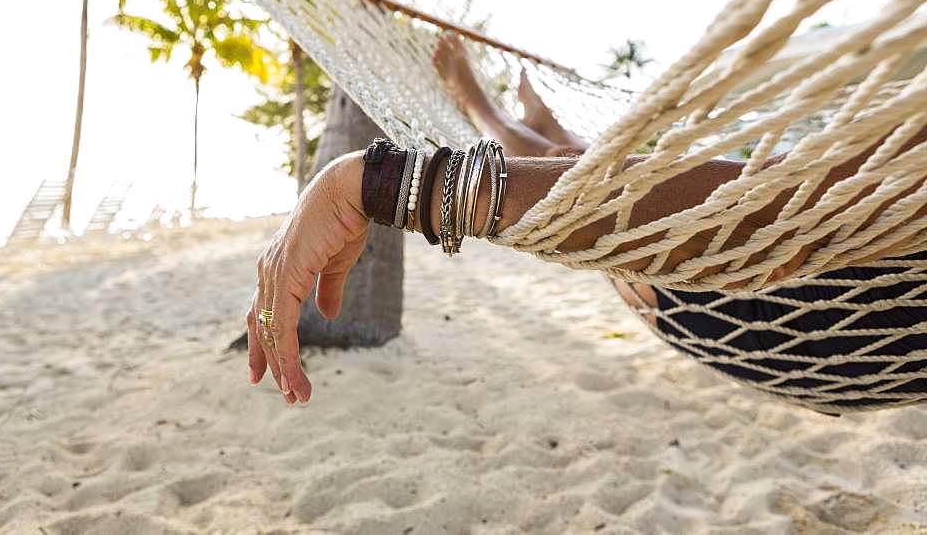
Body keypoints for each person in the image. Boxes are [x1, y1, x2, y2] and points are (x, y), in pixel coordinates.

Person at [245, 33, 926, 411]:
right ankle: (519, 124)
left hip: (734, 296)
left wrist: (387, 183)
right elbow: (795, 198)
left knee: (567, 164)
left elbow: (767, 207)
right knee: (572, 162)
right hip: (779, 286)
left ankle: (495, 113)